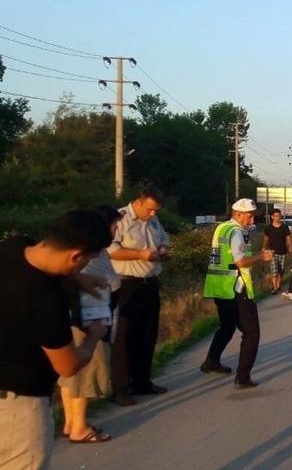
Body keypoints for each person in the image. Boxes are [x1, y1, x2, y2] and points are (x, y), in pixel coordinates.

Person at [1, 210, 111, 469]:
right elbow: (68, 366)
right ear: (76, 256)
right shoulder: (46, 300)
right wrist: (93, 338)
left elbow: (40, 263)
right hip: (17, 409)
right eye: (86, 261)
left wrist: (79, 278)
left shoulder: (14, 246)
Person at [58, 206, 123, 444]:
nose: (116, 230)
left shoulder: (87, 251)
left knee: (70, 377)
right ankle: (80, 426)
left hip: (78, 316)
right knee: (84, 372)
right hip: (88, 318)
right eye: (114, 225)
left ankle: (70, 422)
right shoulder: (89, 253)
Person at [200, 199, 273, 389]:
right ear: (238, 214)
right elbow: (240, 262)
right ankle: (243, 377)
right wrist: (262, 256)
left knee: (227, 326)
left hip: (219, 286)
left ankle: (211, 361)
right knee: (251, 333)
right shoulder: (237, 232)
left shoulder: (222, 228)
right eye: (249, 216)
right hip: (236, 287)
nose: (252, 219)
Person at [108, 187, 170, 406]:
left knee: (147, 334)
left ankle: (142, 381)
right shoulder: (120, 219)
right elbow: (112, 250)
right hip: (126, 285)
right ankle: (120, 388)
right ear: (139, 201)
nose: (153, 214)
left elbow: (164, 239)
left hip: (149, 283)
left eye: (156, 211)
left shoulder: (154, 221)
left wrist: (162, 250)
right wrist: (140, 254)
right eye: (150, 209)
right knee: (124, 338)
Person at [263, 208, 291, 295]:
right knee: (274, 270)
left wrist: (290, 247)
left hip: (282, 251)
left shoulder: (284, 227)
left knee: (281, 270)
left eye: (279, 216)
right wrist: (263, 247)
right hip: (272, 252)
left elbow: (288, 238)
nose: (277, 217)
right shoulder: (269, 228)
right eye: (275, 216)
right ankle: (274, 288)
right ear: (272, 217)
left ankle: (278, 285)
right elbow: (266, 238)